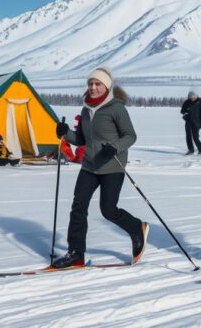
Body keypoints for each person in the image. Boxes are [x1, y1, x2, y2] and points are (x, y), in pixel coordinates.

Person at [51, 67, 148, 269]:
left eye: (98, 84)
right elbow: (81, 139)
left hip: (112, 166)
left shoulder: (116, 108)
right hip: (89, 166)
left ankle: (137, 228)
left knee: (108, 210)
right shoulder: (86, 109)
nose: (93, 88)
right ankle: (76, 253)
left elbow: (130, 135)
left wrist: (114, 148)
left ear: (106, 86)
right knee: (78, 206)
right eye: (90, 84)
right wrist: (65, 132)